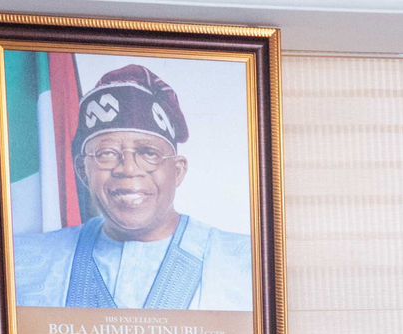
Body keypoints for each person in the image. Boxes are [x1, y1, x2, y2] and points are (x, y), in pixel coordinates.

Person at [14, 63, 254, 311]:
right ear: (83, 170)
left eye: (148, 153)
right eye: (107, 153)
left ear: (178, 171)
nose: (128, 169)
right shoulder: (24, 263)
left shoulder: (248, 263)